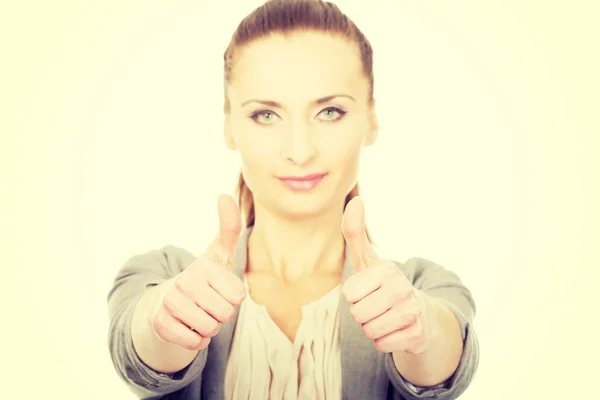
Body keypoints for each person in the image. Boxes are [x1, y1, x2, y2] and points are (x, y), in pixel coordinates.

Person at [107, 0, 480, 399]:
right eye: (266, 115)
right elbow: (140, 351)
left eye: (330, 111)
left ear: (370, 120)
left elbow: (444, 363)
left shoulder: (420, 288)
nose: (300, 151)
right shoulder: (163, 275)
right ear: (229, 126)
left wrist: (421, 328)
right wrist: (164, 318)